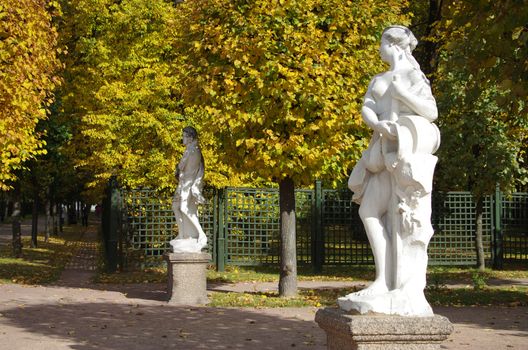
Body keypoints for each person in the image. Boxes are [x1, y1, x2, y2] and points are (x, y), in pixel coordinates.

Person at [339, 25, 440, 316]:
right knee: (368, 211)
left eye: (381, 44)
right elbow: (367, 107)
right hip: (381, 151)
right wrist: (376, 124)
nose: (379, 50)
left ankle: (400, 286)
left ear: (393, 45)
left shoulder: (413, 76)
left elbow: (430, 112)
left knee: (400, 222)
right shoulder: (378, 79)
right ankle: (383, 281)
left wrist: (402, 94)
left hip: (403, 153)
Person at [170, 126, 207, 253]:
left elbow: (181, 166)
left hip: (187, 184)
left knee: (184, 208)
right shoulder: (191, 150)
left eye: (184, 136)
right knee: (175, 207)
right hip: (183, 183)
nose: (183, 138)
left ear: (190, 138)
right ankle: (182, 235)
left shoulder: (192, 151)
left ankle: (201, 235)